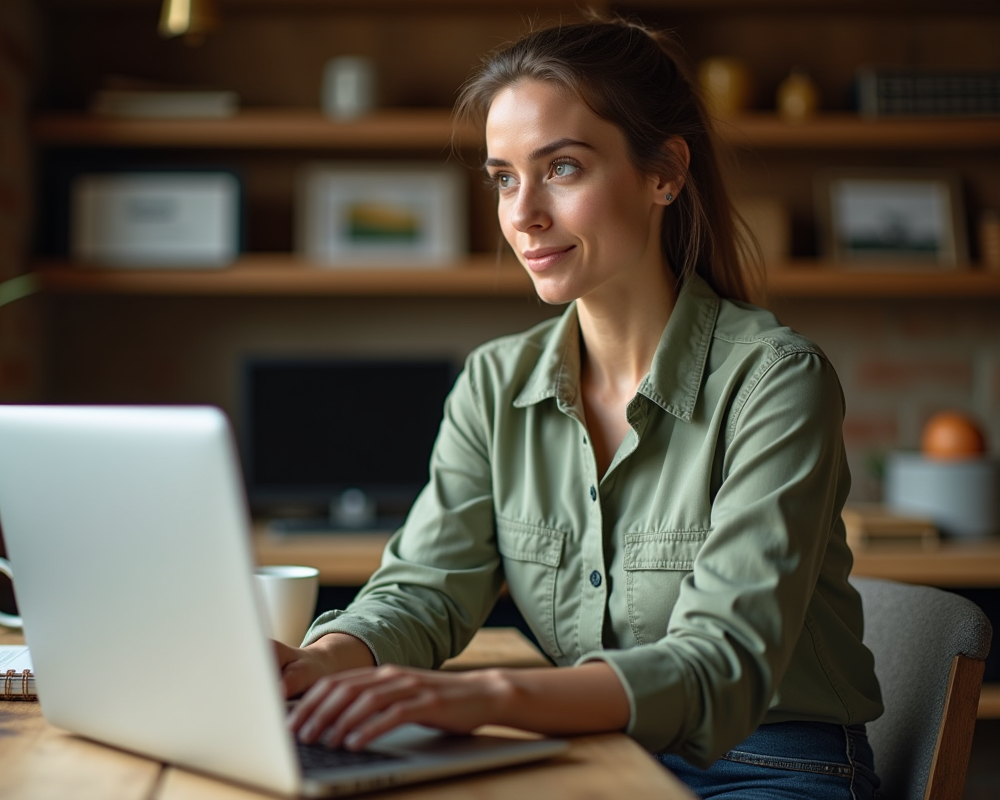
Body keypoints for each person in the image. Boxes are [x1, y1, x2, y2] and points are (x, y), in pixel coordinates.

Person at [276, 17, 884, 799]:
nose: (522, 213)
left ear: (665, 173)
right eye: (504, 178)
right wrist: (320, 663)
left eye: (561, 168)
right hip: (596, 755)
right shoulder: (494, 383)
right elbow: (426, 589)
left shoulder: (776, 380)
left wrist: (489, 697)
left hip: (769, 767)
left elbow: (722, 661)